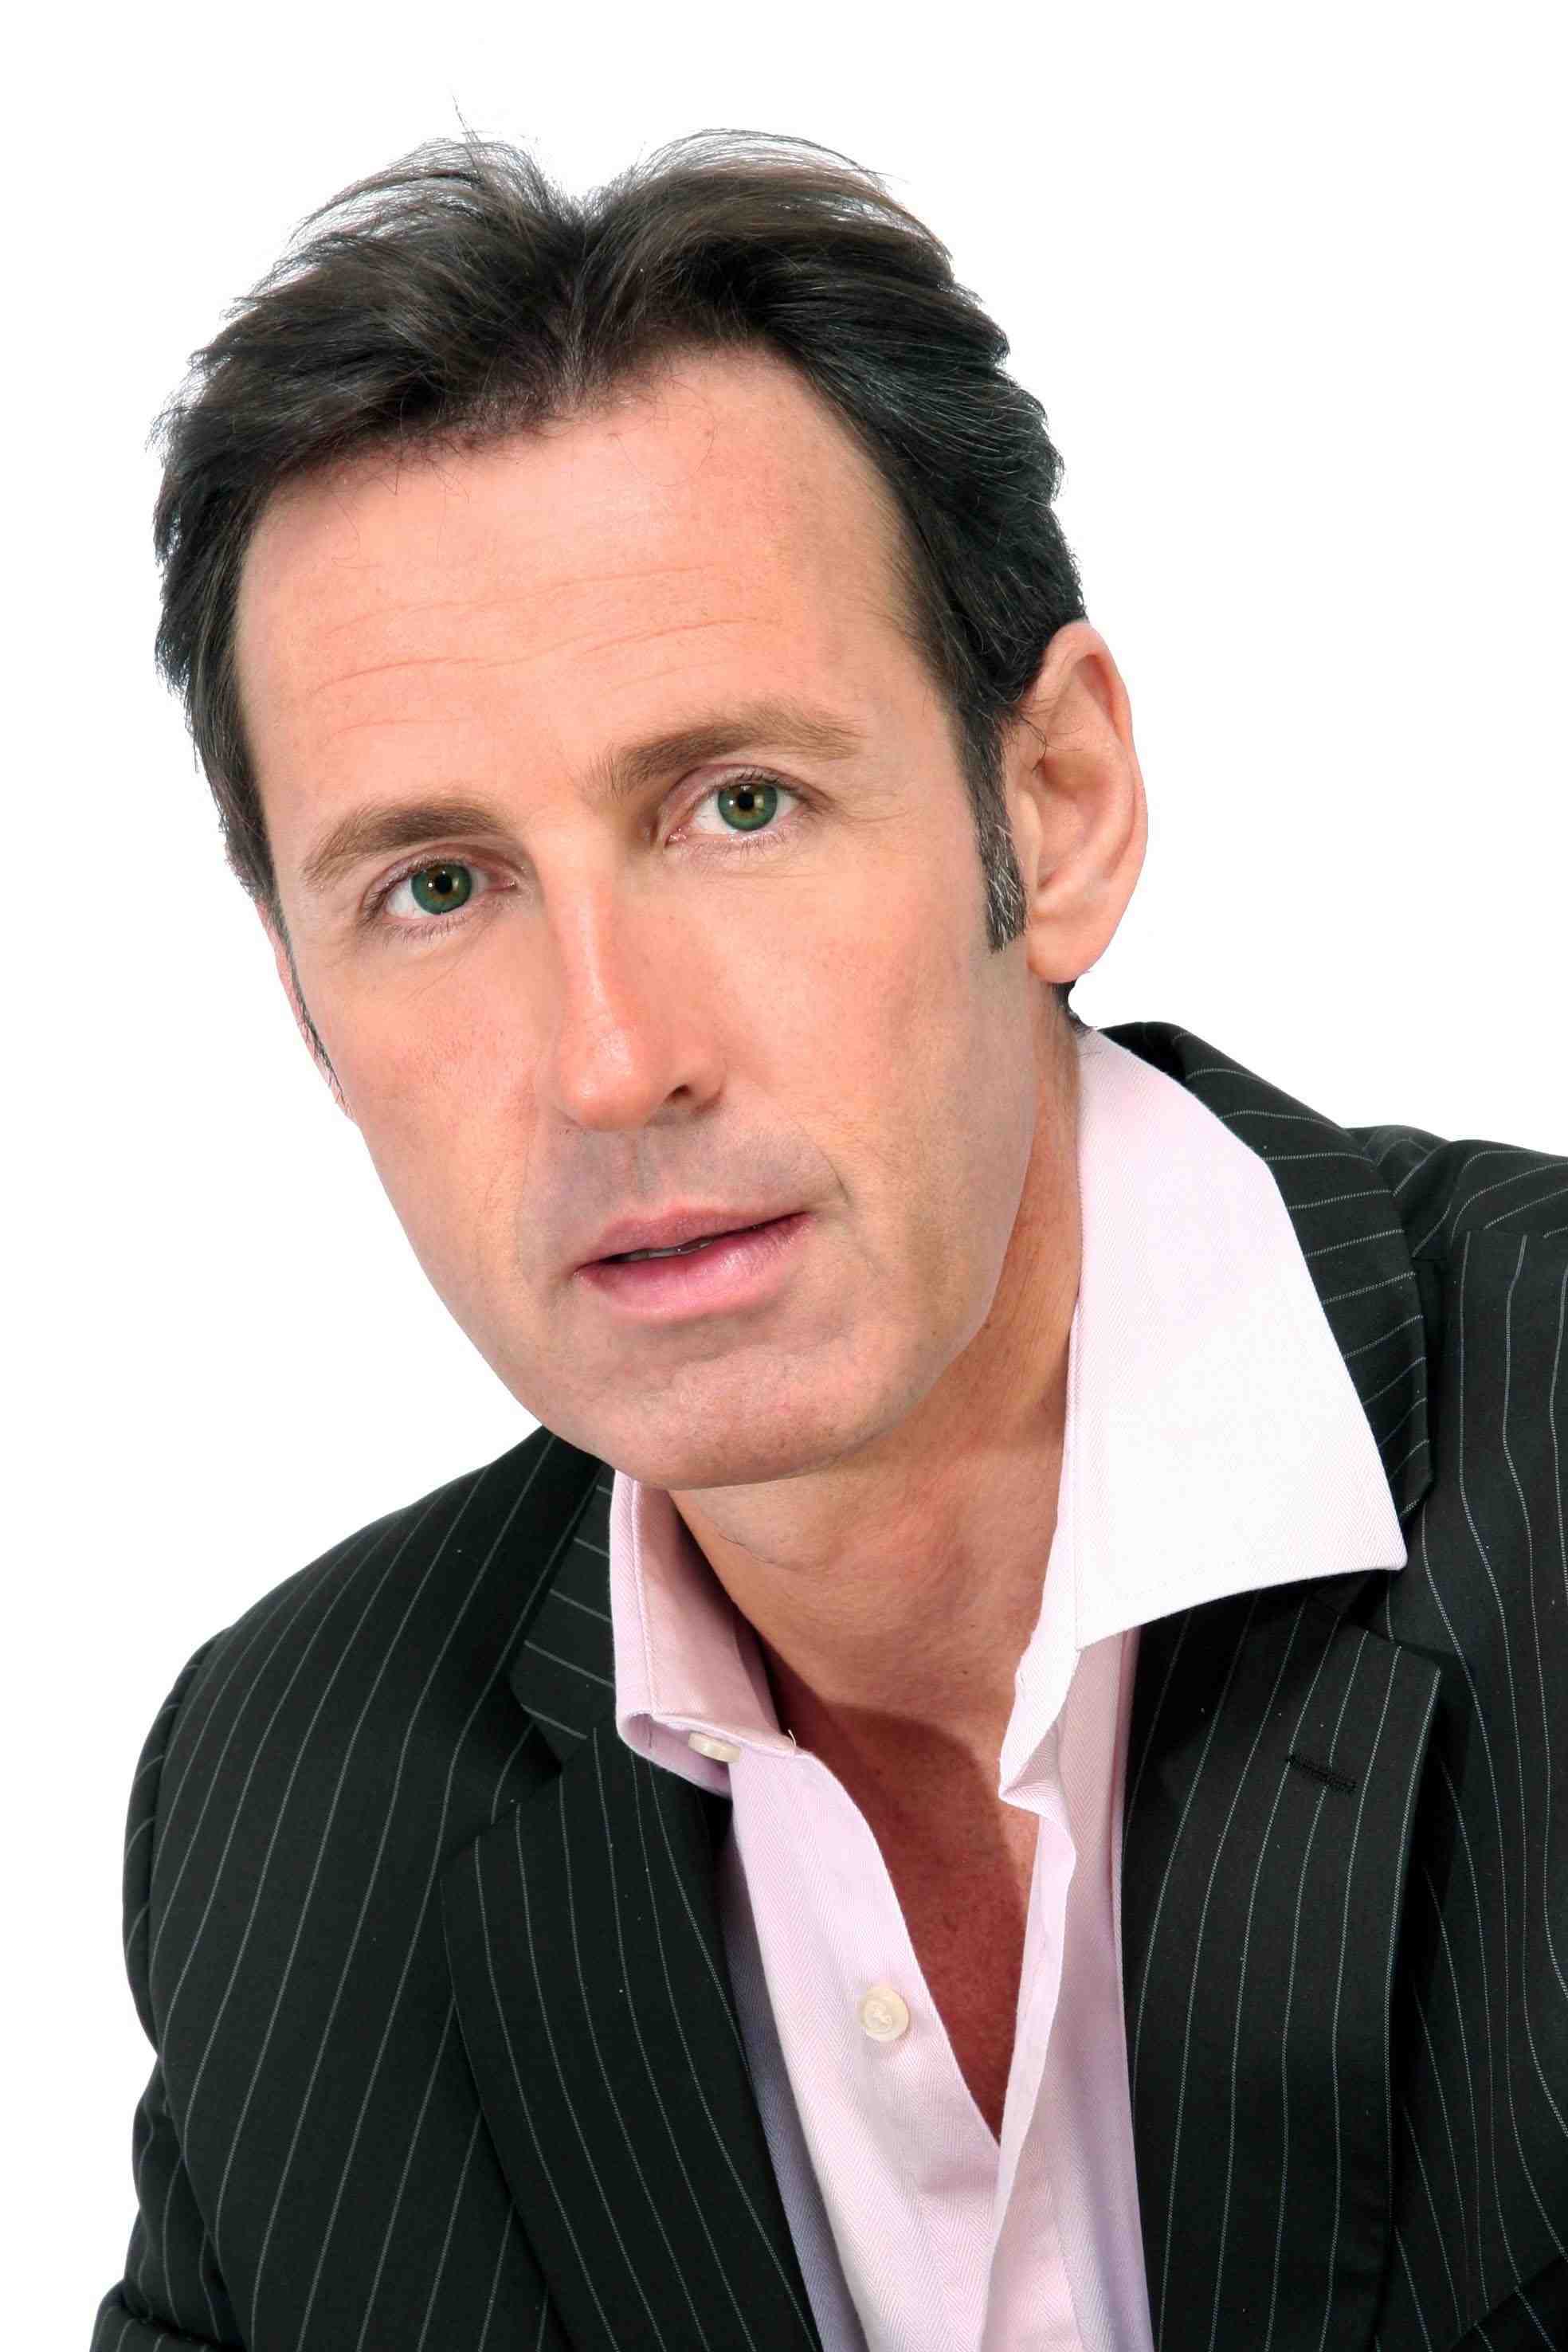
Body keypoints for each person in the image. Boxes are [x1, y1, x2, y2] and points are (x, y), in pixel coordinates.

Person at [95, 130, 1567, 2352]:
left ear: (1056, 810)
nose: (613, 1062)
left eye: (739, 805)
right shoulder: (298, 1812)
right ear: (304, 997)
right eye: (437, 887)